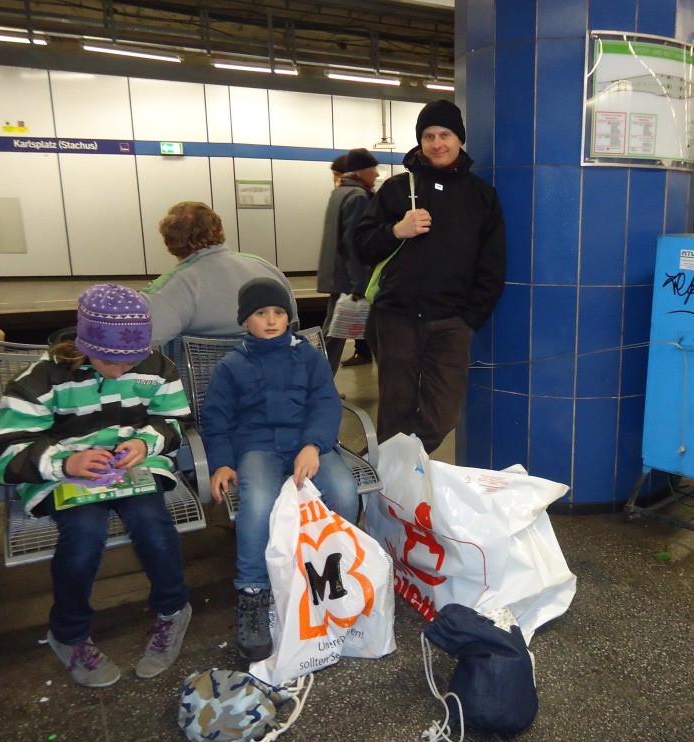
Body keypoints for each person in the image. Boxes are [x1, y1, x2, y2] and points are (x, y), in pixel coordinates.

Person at [0, 284, 192, 688]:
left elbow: (174, 422)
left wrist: (145, 442)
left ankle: (173, 609)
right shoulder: (41, 379)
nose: (120, 372)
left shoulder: (156, 366)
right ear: (84, 346)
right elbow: (5, 451)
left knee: (151, 522)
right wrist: (66, 462)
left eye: (131, 362)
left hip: (134, 466)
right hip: (64, 474)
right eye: (109, 361)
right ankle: (69, 632)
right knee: (83, 532)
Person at [200, 277, 359, 662]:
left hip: (308, 442)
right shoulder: (231, 366)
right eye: (260, 313)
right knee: (257, 504)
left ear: (289, 317)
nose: (271, 320)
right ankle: (253, 592)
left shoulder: (309, 358)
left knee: (343, 491)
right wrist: (221, 463)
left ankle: (333, 576)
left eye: (279, 312)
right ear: (245, 320)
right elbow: (215, 420)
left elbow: (326, 404)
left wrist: (313, 444)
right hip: (258, 446)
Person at [355, 99, 506, 453]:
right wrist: (396, 230)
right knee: (396, 412)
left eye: (445, 135)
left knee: (443, 414)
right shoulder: (396, 189)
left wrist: (468, 319)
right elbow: (361, 246)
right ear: (420, 141)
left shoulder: (481, 196)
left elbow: (492, 265)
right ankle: (390, 481)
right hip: (396, 320)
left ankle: (386, 462)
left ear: (459, 139)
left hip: (451, 324)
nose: (437, 143)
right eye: (428, 136)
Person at [141, 201, 297, 347]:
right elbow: (293, 326)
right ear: (220, 230)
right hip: (273, 366)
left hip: (202, 368)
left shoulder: (174, 286)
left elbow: (141, 342)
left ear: (169, 243)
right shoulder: (267, 269)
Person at [317, 148, 379, 372]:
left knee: (334, 333)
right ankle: (319, 383)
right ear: (360, 171)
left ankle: (319, 381)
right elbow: (354, 245)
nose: (377, 174)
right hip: (351, 281)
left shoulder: (339, 193)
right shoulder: (358, 197)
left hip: (339, 276)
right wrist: (360, 285)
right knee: (335, 336)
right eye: (373, 169)